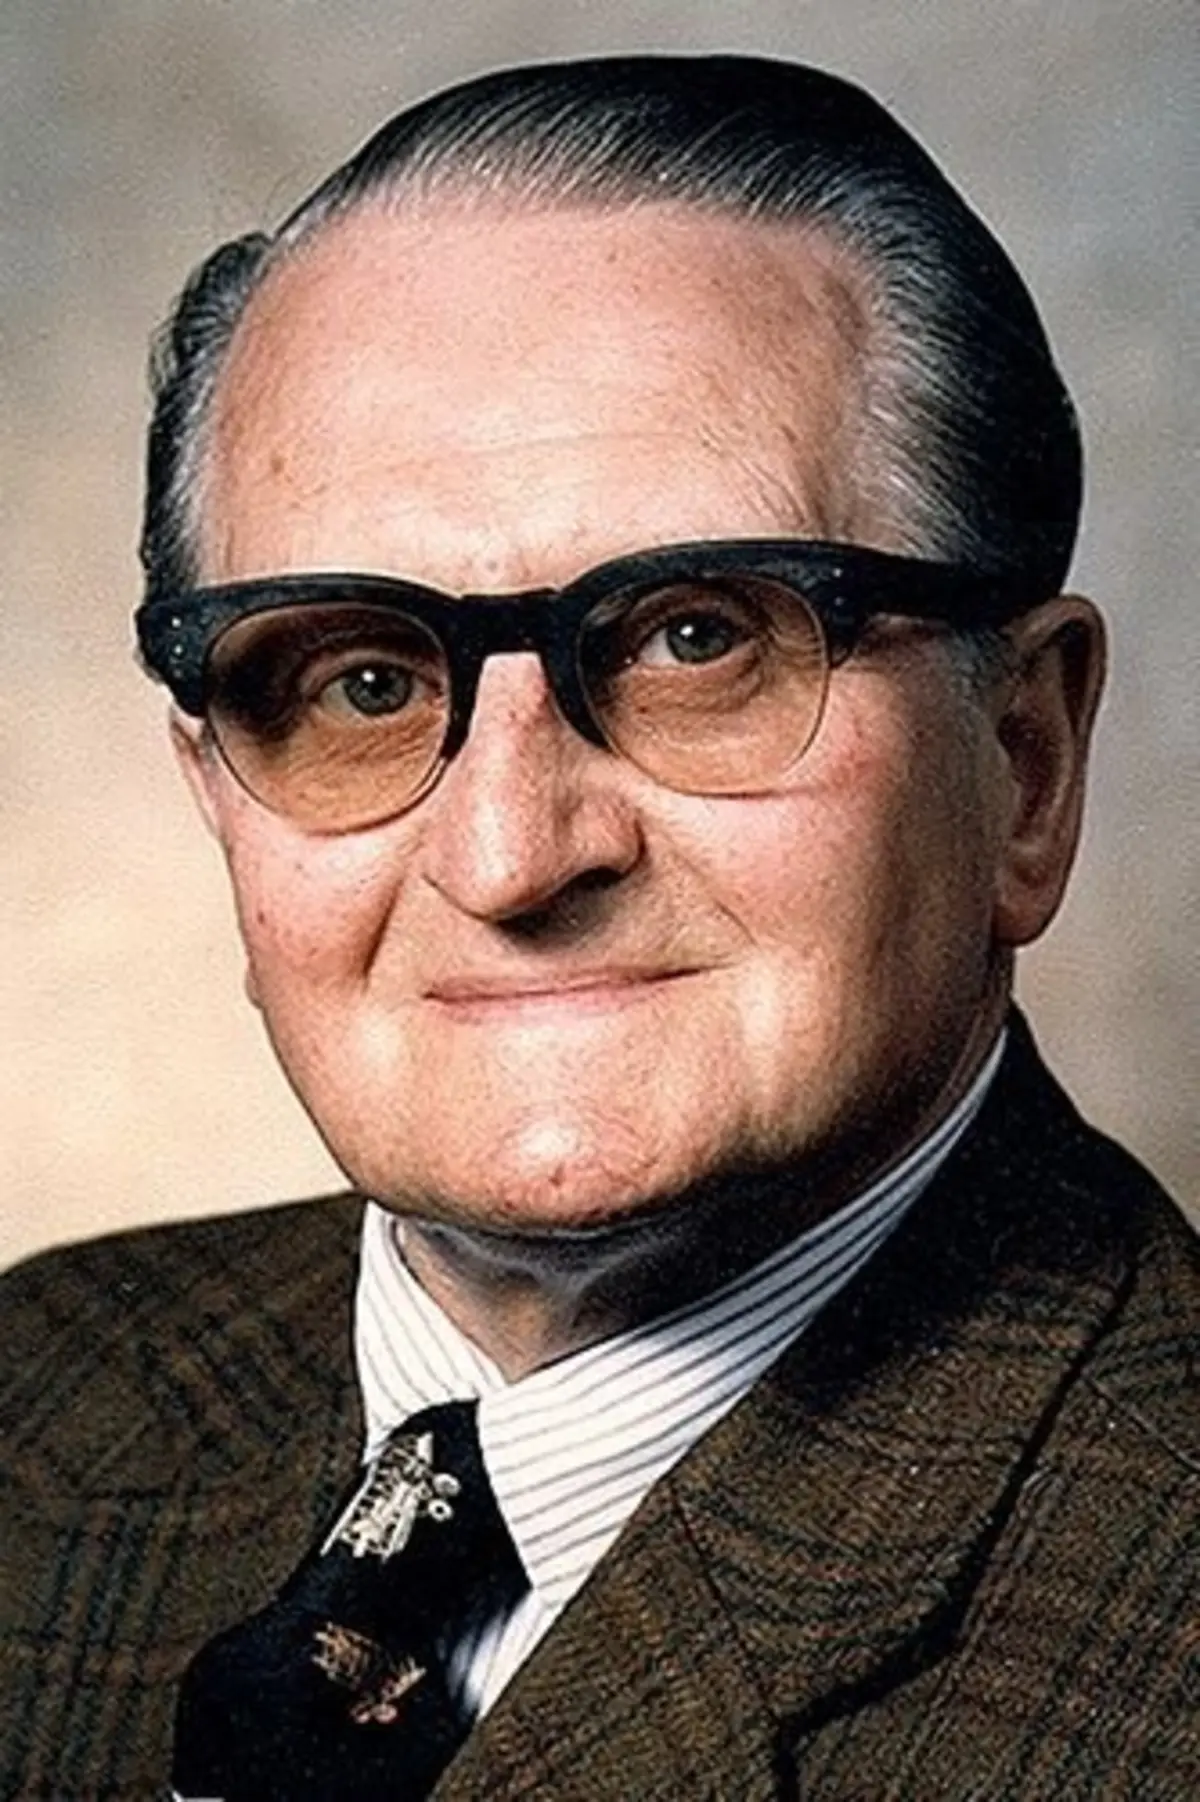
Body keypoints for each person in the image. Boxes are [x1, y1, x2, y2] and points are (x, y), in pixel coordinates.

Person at [2, 53, 1196, 1802]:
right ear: (219, 794)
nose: (510, 855)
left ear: (1024, 762)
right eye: (361, 679)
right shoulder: (36, 1401)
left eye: (698, 638)